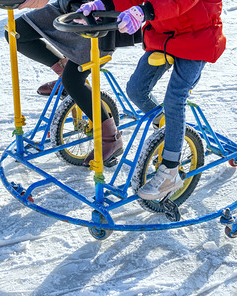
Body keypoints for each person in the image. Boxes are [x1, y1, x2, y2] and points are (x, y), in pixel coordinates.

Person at [79, 0, 226, 199]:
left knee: (175, 99)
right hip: (163, 35)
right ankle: (168, 124)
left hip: (197, 37)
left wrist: (145, 10)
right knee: (136, 89)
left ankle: (171, 170)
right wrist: (106, 4)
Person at [6, 0, 142, 166]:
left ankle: (111, 138)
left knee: (73, 80)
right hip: (68, 7)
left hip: (100, 17)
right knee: (17, 32)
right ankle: (62, 69)